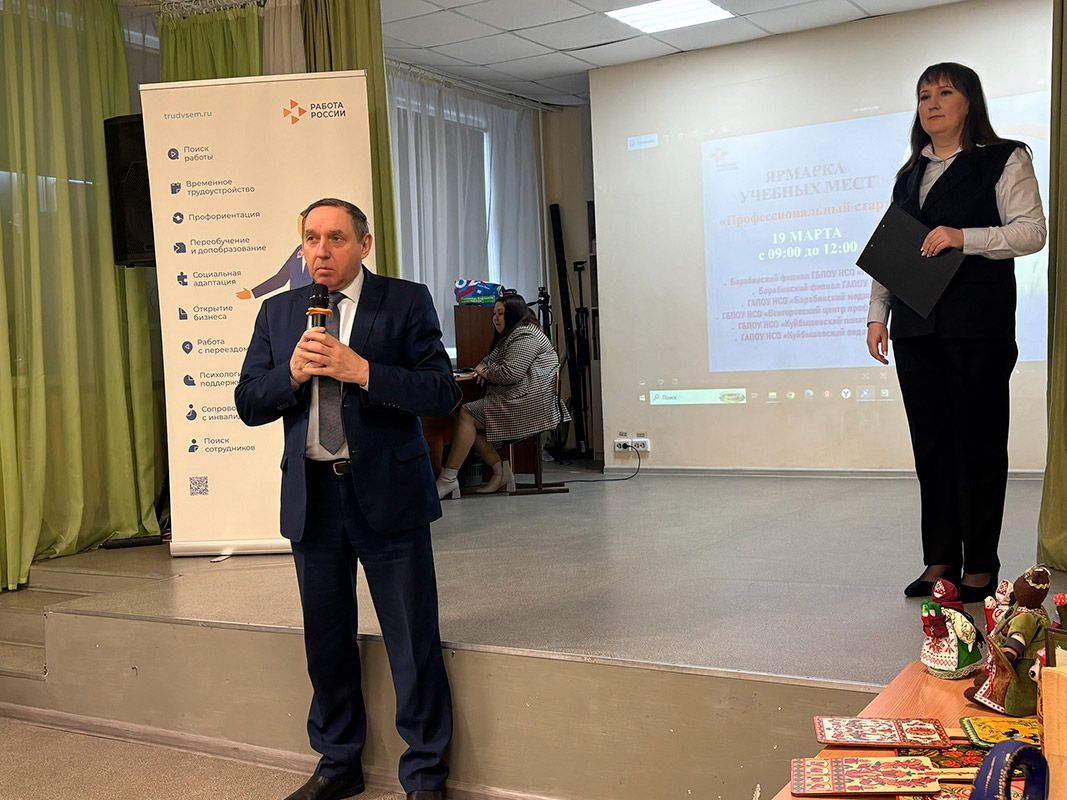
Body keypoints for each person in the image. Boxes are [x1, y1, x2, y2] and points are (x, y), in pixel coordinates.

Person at [235, 198, 456, 800]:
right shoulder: (279, 313)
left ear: (364, 244)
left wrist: (363, 371)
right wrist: (291, 376)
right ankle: (338, 764)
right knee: (326, 640)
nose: (321, 250)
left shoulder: (406, 300)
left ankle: (425, 776)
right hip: (313, 499)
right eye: (311, 238)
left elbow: (441, 392)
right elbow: (248, 402)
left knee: (411, 639)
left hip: (388, 494)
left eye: (335, 237)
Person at [865, 63, 1046, 602]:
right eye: (924, 95)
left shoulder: (1005, 158)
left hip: (978, 328)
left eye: (945, 92)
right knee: (932, 447)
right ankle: (940, 559)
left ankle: (981, 565)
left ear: (970, 103)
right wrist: (877, 314)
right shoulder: (908, 175)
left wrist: (963, 236)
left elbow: (1031, 232)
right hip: (915, 328)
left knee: (979, 447)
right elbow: (892, 250)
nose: (933, 103)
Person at [435, 292, 568, 498]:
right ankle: (501, 473)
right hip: (524, 399)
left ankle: (448, 478)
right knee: (473, 423)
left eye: (500, 314)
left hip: (530, 405)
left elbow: (510, 373)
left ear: (513, 314)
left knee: (466, 414)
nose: (495, 318)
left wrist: (486, 372)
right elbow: (490, 359)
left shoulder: (525, 336)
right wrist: (483, 366)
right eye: (494, 314)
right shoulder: (513, 334)